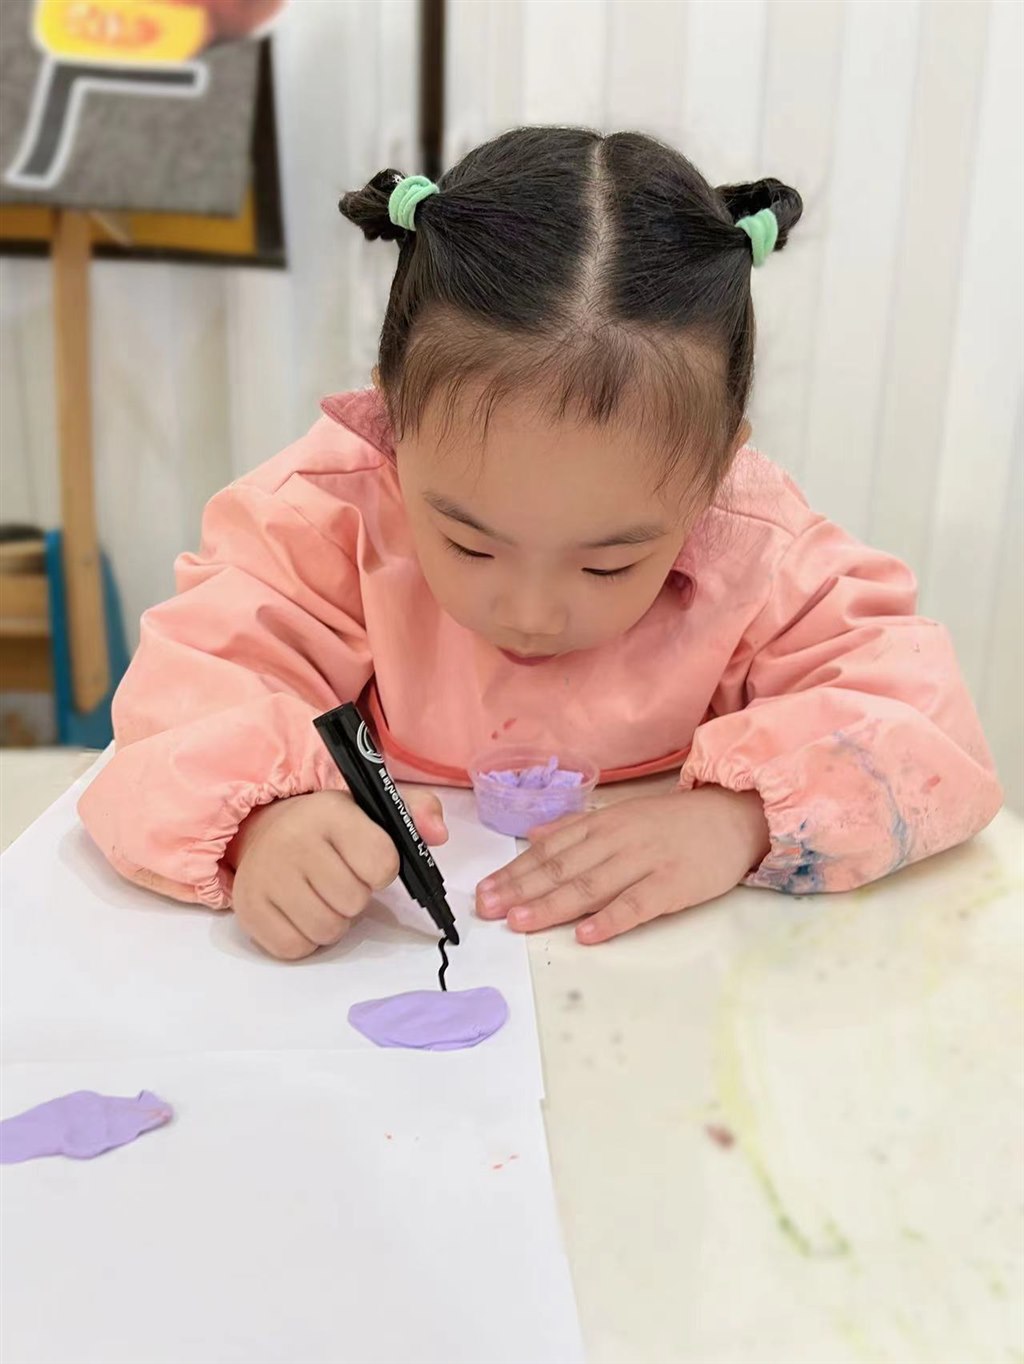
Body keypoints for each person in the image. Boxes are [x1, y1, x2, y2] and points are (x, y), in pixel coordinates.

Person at [79, 128, 1002, 959]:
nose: (529, 612)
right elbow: (181, 704)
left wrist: (737, 822)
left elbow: (925, 728)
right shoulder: (325, 515)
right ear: (392, 427)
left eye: (609, 563)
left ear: (715, 472)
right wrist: (266, 824)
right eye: (469, 545)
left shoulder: (755, 549)